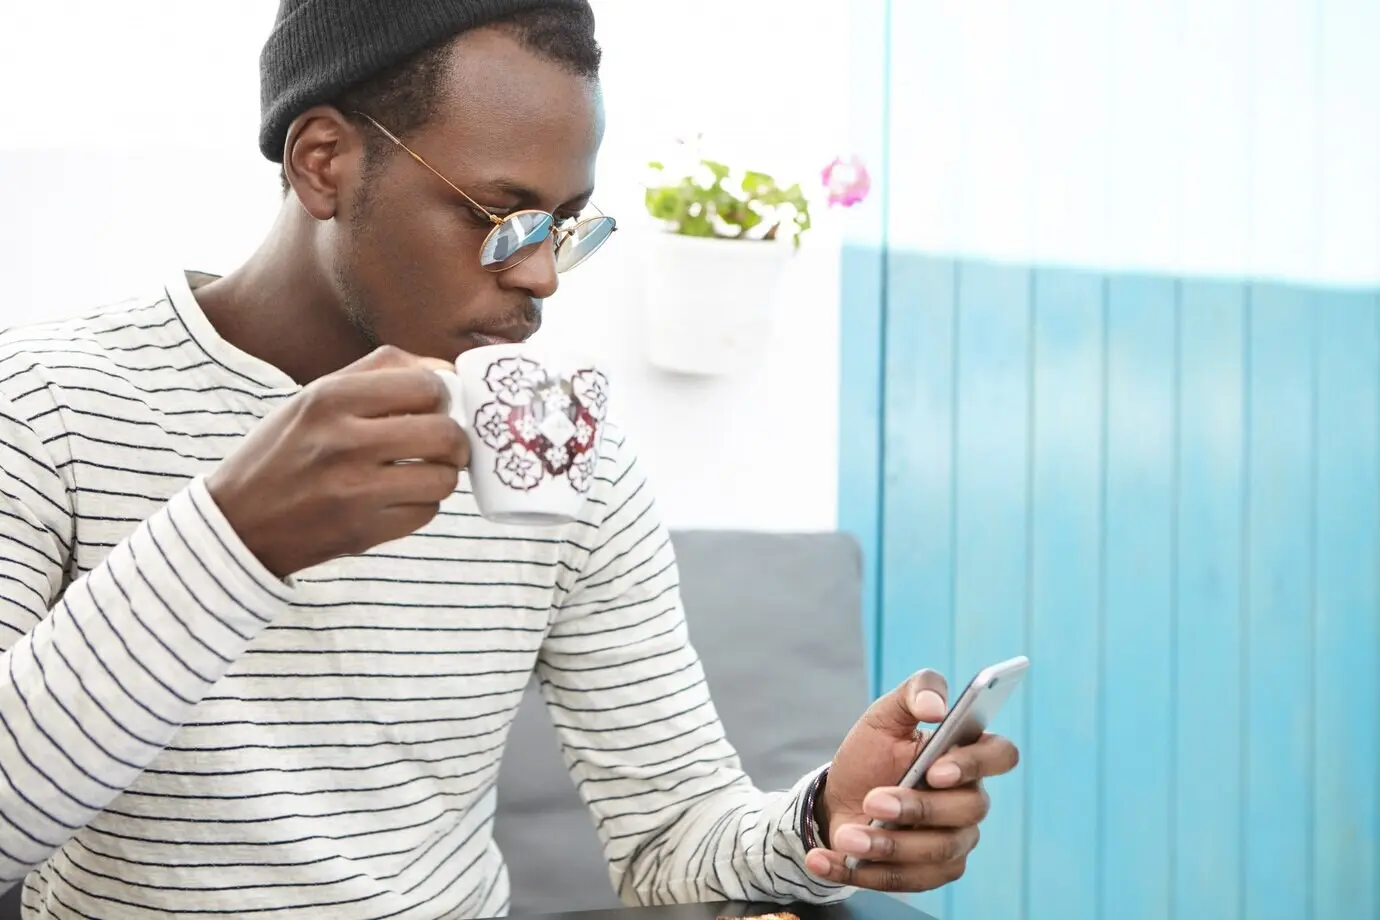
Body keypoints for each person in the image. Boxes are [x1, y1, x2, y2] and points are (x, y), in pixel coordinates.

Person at [0, 1, 1020, 916]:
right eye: (503, 217)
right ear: (323, 161)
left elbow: (673, 836)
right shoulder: (49, 405)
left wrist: (825, 815)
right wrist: (233, 535)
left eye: (567, 227)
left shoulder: (562, 455)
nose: (541, 275)